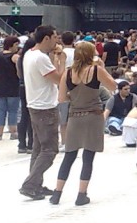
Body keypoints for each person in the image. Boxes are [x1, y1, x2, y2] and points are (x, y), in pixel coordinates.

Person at [50, 41, 117, 206]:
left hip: (75, 116)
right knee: (88, 157)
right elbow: (113, 86)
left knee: (69, 155)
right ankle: (81, 194)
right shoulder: (95, 70)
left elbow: (61, 98)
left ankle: (57, 193)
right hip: (93, 116)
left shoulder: (68, 72)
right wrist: (100, 64)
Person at [19, 25, 64, 200]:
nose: (56, 41)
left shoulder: (30, 54)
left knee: (38, 148)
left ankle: (35, 183)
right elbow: (58, 79)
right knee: (50, 150)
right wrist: (59, 59)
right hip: (46, 107)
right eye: (54, 37)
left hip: (34, 105)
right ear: (46, 38)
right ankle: (30, 184)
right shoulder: (40, 58)